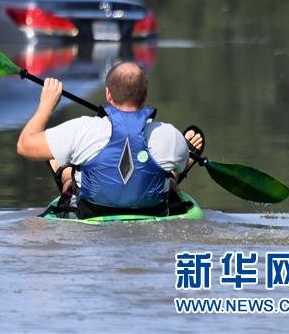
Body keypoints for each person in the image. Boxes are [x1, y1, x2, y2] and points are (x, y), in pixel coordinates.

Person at [16, 62, 204, 219]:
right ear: (145, 95)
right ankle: (177, 171)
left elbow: (24, 145)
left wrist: (46, 105)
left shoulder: (83, 129)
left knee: (70, 170)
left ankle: (65, 172)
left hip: (91, 216)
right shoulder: (169, 135)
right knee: (169, 174)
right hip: (150, 212)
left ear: (108, 94)